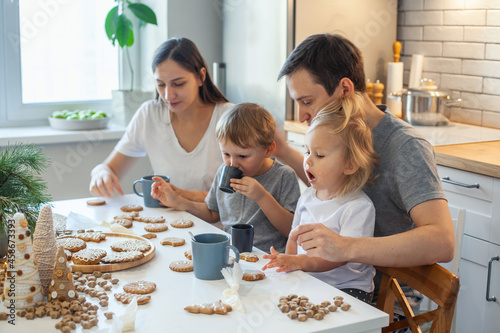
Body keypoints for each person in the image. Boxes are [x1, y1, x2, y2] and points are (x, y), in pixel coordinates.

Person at [273, 33, 455, 304]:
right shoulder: (330, 137)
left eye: (307, 101)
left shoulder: (405, 147)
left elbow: (442, 242)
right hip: (322, 285)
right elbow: (330, 186)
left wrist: (345, 247)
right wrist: (285, 152)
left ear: (345, 89)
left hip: (384, 302)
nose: (301, 116)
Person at [262, 93, 378, 303]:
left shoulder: (358, 207)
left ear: (350, 165)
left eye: (320, 155)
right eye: (307, 152)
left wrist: (299, 263)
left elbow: (339, 258)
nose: (308, 162)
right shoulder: (308, 196)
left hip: (348, 290)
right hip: (310, 280)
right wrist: (288, 263)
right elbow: (293, 236)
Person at [89, 38, 232, 201]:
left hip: (216, 226)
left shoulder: (230, 118)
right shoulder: (150, 114)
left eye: (178, 84)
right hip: (169, 223)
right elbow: (109, 168)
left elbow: (241, 197)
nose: (168, 95)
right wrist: (101, 172)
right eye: (161, 84)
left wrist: (178, 196)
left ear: (201, 76)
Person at [151, 103, 301, 253]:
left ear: (269, 150)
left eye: (243, 156)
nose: (233, 163)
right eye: (226, 154)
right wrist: (178, 202)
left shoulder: (284, 176)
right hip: (231, 253)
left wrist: (262, 197)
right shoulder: (224, 170)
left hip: (269, 259)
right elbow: (212, 213)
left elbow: (291, 230)